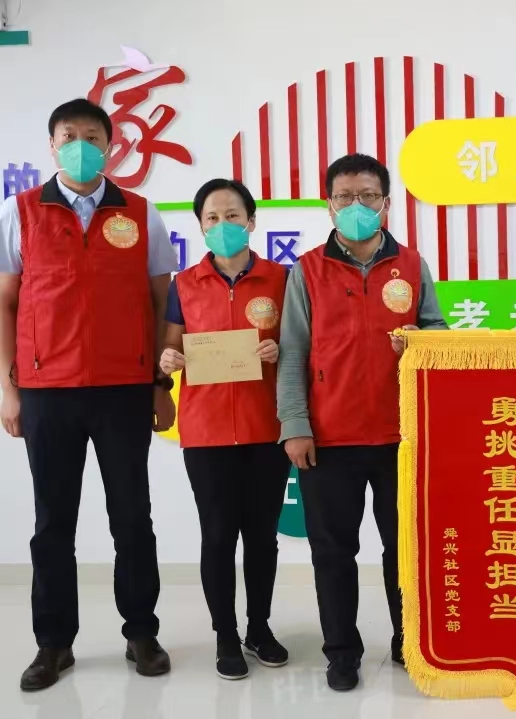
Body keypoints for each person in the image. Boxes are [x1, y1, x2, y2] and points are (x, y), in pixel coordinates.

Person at [0, 99, 178, 691]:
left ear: (110, 145)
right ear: (51, 145)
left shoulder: (141, 214)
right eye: (68, 135)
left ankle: (141, 632)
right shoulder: (19, 212)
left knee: (132, 516)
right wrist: (8, 388)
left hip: (123, 388)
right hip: (47, 390)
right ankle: (53, 644)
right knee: (53, 521)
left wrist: (159, 385)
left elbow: (162, 304)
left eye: (92, 136)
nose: (81, 145)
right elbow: (5, 303)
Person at [277, 153, 447, 691]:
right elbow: (292, 351)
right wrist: (295, 424)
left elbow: (439, 332)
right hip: (329, 436)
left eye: (368, 195)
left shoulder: (412, 265)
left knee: (405, 549)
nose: (357, 205)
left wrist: (421, 341)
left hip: (403, 435)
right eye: (346, 196)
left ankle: (408, 642)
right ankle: (341, 653)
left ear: (386, 203)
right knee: (333, 552)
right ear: (329, 205)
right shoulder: (307, 270)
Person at [159, 179, 291, 681]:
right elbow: (170, 347)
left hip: (266, 427)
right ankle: (225, 635)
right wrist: (168, 359)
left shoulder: (282, 278)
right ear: (200, 227)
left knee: (262, 537)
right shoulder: (184, 285)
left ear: (251, 221)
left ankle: (259, 628)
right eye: (211, 218)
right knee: (217, 536)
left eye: (232, 215)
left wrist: (280, 349)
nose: (222, 225)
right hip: (206, 431)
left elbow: (303, 344)